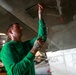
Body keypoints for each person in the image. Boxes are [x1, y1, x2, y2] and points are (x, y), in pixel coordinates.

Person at [1, 4, 47, 75]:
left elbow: (42, 37)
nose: (21, 28)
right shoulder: (7, 48)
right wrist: (34, 49)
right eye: (17, 27)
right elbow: (16, 72)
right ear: (10, 32)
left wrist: (40, 16)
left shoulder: (26, 45)